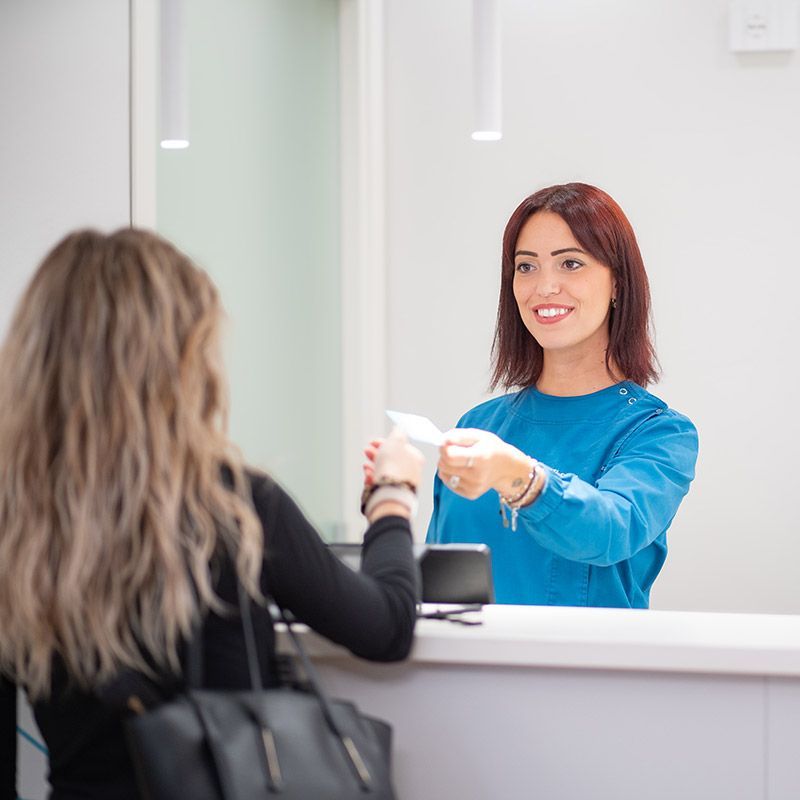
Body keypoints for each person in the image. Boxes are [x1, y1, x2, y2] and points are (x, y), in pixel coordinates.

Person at [0, 228, 423, 800]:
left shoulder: (16, 523)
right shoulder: (235, 506)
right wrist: (392, 495)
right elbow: (386, 627)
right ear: (177, 364)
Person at [426, 183, 698, 608]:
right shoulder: (476, 426)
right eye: (526, 266)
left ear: (617, 285)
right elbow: (437, 585)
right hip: (467, 672)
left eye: (570, 263)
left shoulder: (658, 434)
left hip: (585, 672)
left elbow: (609, 531)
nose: (545, 287)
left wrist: (518, 476)